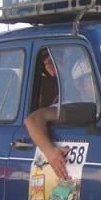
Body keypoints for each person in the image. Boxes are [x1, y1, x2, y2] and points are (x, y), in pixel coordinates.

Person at [25, 49, 70, 180]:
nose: (49, 64)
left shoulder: (69, 93)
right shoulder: (70, 100)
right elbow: (32, 119)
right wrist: (51, 153)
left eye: (54, 60)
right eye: (47, 61)